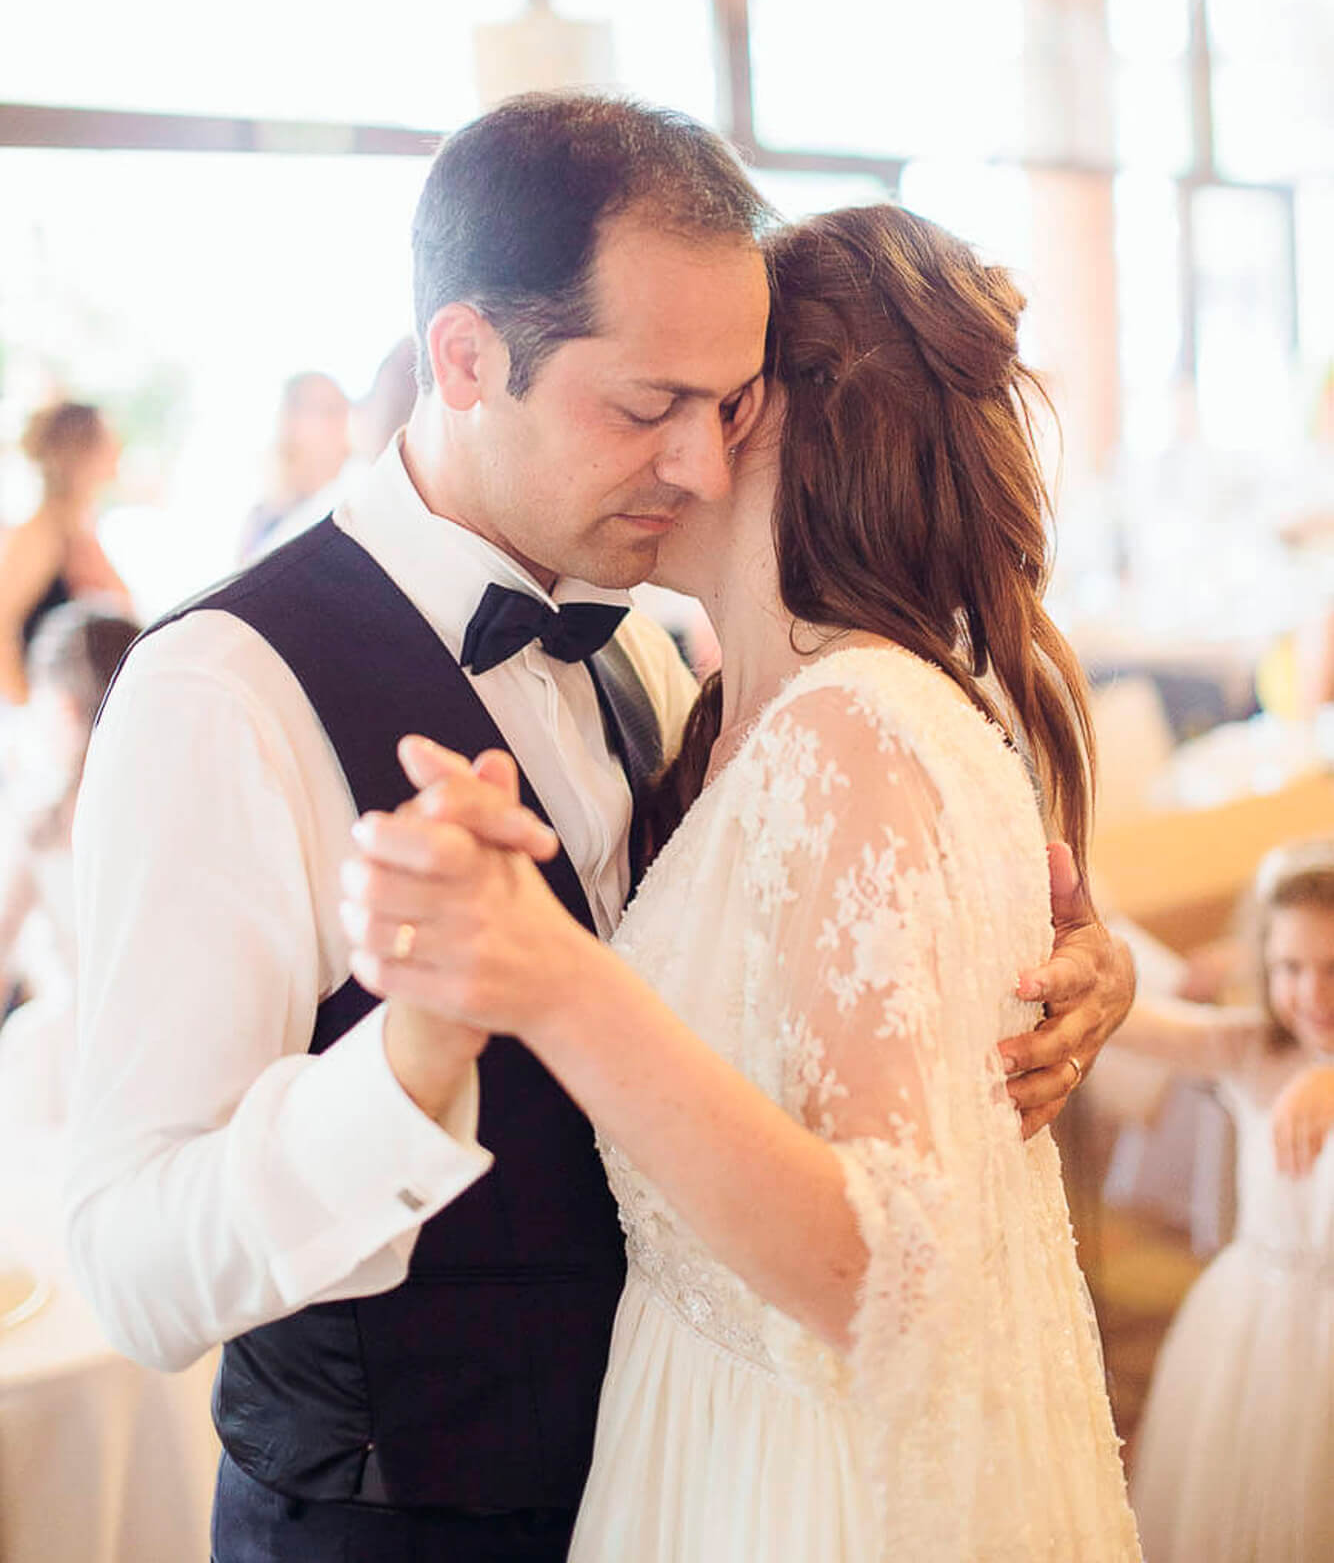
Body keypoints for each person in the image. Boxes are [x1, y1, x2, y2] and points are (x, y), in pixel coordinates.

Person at [70, 97, 1131, 1563]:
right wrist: (407, 1063)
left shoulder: (656, 649)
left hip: (702, 1482)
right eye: (645, 409)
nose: (697, 467)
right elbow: (131, 1261)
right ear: (464, 356)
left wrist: (1021, 982)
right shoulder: (220, 696)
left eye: (731, 407)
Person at [343, 204, 1141, 1559]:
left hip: (805, 1475)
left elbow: (887, 1272)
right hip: (697, 1422)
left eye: (701, 398)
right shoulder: (719, 708)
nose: (668, 446)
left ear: (775, 421)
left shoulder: (859, 730)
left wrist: (552, 980)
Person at [1108, 838, 1334, 1561]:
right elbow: (1130, 1021)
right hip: (1260, 1325)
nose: (1313, 996)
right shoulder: (1254, 1051)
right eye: (1290, 969)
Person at [0, 602, 139, 1128]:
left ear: (59, 708)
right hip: (157, 1043)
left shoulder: (42, 824)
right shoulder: (168, 810)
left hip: (60, 1067)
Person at [0, 401, 129, 704]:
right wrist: (31, 707)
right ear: (80, 453)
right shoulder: (41, 533)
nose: (118, 449)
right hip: (55, 726)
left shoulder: (82, 529)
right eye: (107, 440)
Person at [237, 370, 351, 560]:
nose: (337, 423)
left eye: (335, 411)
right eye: (324, 411)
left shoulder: (347, 503)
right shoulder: (261, 515)